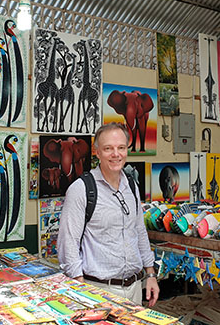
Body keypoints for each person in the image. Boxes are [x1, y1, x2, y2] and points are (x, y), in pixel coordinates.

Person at [58, 122, 159, 306]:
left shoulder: (131, 185)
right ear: (97, 152)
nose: (116, 154)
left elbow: (139, 231)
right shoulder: (81, 189)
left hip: (135, 289)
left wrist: (150, 274)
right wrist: (82, 290)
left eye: (121, 148)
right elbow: (68, 243)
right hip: (98, 291)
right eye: (108, 148)